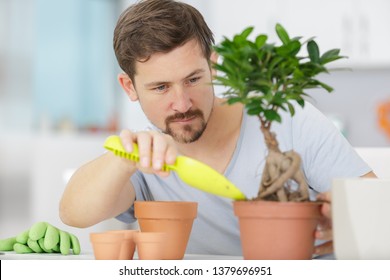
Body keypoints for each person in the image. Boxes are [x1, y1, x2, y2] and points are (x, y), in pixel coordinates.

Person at [59, 0, 376, 257]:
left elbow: (376, 208)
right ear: (129, 87)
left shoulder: (290, 119)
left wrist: (350, 221)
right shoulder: (144, 157)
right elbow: (74, 213)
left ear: (213, 66)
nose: (182, 103)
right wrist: (125, 158)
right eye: (160, 88)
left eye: (193, 79)